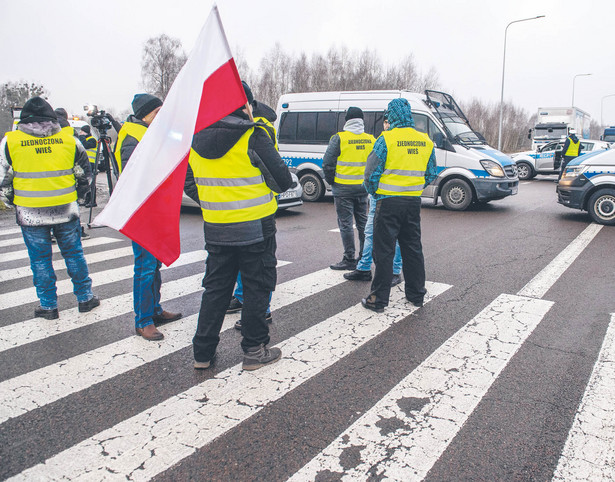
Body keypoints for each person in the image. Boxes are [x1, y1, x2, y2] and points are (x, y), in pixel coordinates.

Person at [185, 81, 292, 371]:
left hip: (216, 227)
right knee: (257, 287)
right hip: (256, 228)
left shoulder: (195, 140)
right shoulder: (252, 135)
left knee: (216, 289)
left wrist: (213, 201)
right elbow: (282, 179)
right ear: (244, 105)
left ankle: (202, 353)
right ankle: (254, 350)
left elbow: (189, 183)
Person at [0, 96, 100, 319]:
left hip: (30, 212)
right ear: (52, 119)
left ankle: (48, 306)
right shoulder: (69, 140)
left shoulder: (10, 142)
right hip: (65, 209)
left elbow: (4, 181)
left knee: (40, 260)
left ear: (23, 120)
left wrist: (12, 203)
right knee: (74, 255)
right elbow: (85, 175)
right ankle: (85, 299)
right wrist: (80, 198)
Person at [115, 93, 182, 340]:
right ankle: (143, 321)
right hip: (142, 211)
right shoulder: (133, 137)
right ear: (144, 114)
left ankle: (153, 310)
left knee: (153, 264)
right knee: (145, 266)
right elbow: (136, 175)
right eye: (156, 112)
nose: (160, 116)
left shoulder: (147, 133)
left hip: (154, 208)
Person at [361, 98, 437, 313]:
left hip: (387, 203)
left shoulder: (386, 139)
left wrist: (375, 192)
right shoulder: (425, 141)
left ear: (391, 116)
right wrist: (414, 188)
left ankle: (378, 300)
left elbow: (370, 174)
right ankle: (416, 295)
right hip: (412, 202)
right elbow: (431, 172)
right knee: (413, 249)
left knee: (384, 251)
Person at [228, 98, 278, 330]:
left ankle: (261, 310)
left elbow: (276, 173)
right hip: (244, 207)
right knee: (249, 264)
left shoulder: (258, 128)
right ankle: (242, 297)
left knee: (258, 267)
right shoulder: (253, 125)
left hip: (257, 207)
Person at [344, 115, 403, 286]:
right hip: (378, 196)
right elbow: (371, 170)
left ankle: (394, 271)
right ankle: (363, 268)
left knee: (396, 237)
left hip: (393, 197)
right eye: (385, 121)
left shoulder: (394, 141)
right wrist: (372, 191)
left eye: (389, 121)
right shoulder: (382, 140)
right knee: (369, 232)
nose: (386, 124)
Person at [323, 107, 374, 270]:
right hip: (363, 189)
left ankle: (349, 258)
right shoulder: (371, 139)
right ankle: (363, 257)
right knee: (363, 224)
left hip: (343, 189)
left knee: (345, 224)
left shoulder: (339, 138)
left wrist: (333, 182)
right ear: (361, 121)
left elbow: (327, 163)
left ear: (347, 121)